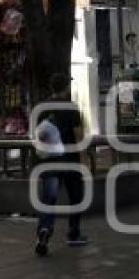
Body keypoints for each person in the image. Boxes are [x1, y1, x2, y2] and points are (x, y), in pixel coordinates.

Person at [33, 73, 89, 257]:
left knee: (49, 199)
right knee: (75, 198)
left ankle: (44, 230)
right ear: (65, 87)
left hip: (48, 161)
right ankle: (73, 234)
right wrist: (83, 160)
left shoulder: (41, 107)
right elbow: (79, 134)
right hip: (69, 160)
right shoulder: (70, 107)